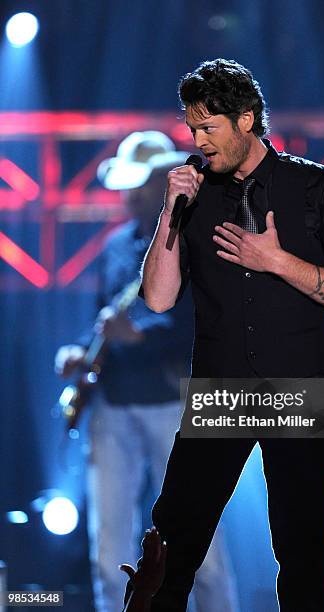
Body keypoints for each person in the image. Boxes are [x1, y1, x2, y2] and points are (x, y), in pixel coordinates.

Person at [140, 60, 324, 611]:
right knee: (171, 544)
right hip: (222, 389)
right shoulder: (192, 192)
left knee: (304, 553)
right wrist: (169, 210)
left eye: (208, 127)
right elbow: (156, 298)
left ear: (246, 119)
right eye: (191, 128)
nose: (197, 141)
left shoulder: (316, 187)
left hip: (300, 388)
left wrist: (277, 262)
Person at [54, 131, 239, 612]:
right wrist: (80, 351)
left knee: (200, 543)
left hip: (171, 406)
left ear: (164, 182)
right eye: (129, 185)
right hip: (112, 407)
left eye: (139, 183)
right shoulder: (116, 245)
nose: (130, 194)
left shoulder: (195, 240)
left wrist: (140, 336)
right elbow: (101, 316)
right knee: (109, 545)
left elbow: (202, 322)